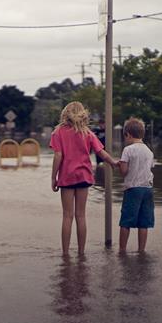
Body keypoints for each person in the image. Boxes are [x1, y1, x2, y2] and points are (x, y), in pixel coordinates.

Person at [50, 101, 118, 256]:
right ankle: (81, 253)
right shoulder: (87, 133)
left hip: (66, 177)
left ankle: (65, 254)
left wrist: (53, 177)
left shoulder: (58, 132)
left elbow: (58, 155)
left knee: (67, 215)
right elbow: (101, 152)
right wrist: (113, 162)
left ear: (65, 114)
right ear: (82, 114)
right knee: (81, 215)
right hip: (84, 176)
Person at [112, 117, 155, 252]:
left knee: (126, 221)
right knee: (144, 222)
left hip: (133, 189)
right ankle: (141, 250)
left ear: (128, 134)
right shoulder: (149, 151)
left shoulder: (128, 150)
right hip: (148, 189)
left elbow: (124, 172)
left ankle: (122, 250)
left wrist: (120, 165)